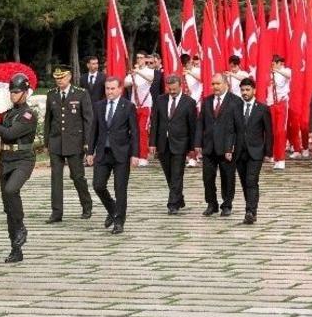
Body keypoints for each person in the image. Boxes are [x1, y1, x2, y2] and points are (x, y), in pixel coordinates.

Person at [0, 73, 37, 263]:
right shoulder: (6, 112)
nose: (13, 95)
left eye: (17, 92)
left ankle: (21, 226)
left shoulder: (28, 114)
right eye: (12, 92)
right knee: (8, 206)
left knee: (11, 189)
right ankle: (16, 248)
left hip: (23, 159)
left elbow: (10, 133)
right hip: (5, 160)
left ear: (25, 92)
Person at [43, 65, 94, 224]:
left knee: (77, 176)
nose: (59, 81)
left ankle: (86, 205)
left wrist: (87, 143)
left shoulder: (81, 93)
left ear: (70, 77)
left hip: (74, 142)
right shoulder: (51, 94)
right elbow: (48, 119)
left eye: (62, 77)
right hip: (56, 142)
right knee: (56, 177)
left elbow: (88, 120)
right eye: (57, 78)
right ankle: (56, 212)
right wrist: (46, 142)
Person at [87, 76, 138, 234]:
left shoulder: (128, 106)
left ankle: (119, 221)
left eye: (112, 89)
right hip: (103, 152)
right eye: (107, 88)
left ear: (120, 89)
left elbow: (134, 132)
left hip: (121, 153)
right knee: (98, 185)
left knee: (120, 188)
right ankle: (112, 208)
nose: (109, 92)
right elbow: (94, 130)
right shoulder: (99, 106)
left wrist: (135, 154)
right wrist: (90, 151)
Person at [149, 74, 198, 214]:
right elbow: (155, 122)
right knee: (169, 174)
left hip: (180, 143)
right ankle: (179, 198)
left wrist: (193, 147)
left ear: (180, 86)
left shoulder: (189, 102)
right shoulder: (160, 100)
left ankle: (172, 204)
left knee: (177, 174)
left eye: (174, 89)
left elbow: (192, 126)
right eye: (169, 89)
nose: (172, 91)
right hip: (163, 143)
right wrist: (152, 143)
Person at [196, 73, 242, 217]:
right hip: (209, 146)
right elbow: (200, 123)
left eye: (218, 84)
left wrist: (233, 146)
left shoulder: (235, 101)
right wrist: (197, 142)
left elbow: (238, 127)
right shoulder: (207, 101)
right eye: (213, 84)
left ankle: (227, 205)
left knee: (227, 177)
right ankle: (211, 204)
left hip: (226, 147)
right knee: (207, 177)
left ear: (226, 84)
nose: (215, 87)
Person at [235, 77, 273, 224]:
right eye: (242, 90)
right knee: (245, 182)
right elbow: (231, 130)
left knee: (251, 180)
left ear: (254, 90)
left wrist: (268, 152)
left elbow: (268, 132)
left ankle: (250, 211)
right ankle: (250, 208)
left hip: (256, 151)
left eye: (247, 90)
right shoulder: (236, 107)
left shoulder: (262, 108)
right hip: (239, 151)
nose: (245, 93)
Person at [267, 55, 291, 169]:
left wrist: (277, 70)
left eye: (274, 64)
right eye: (271, 64)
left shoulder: (285, 70)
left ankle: (281, 159)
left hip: (282, 103)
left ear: (278, 63)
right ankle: (275, 156)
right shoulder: (269, 73)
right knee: (273, 131)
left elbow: (289, 75)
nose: (272, 65)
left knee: (280, 131)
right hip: (271, 103)